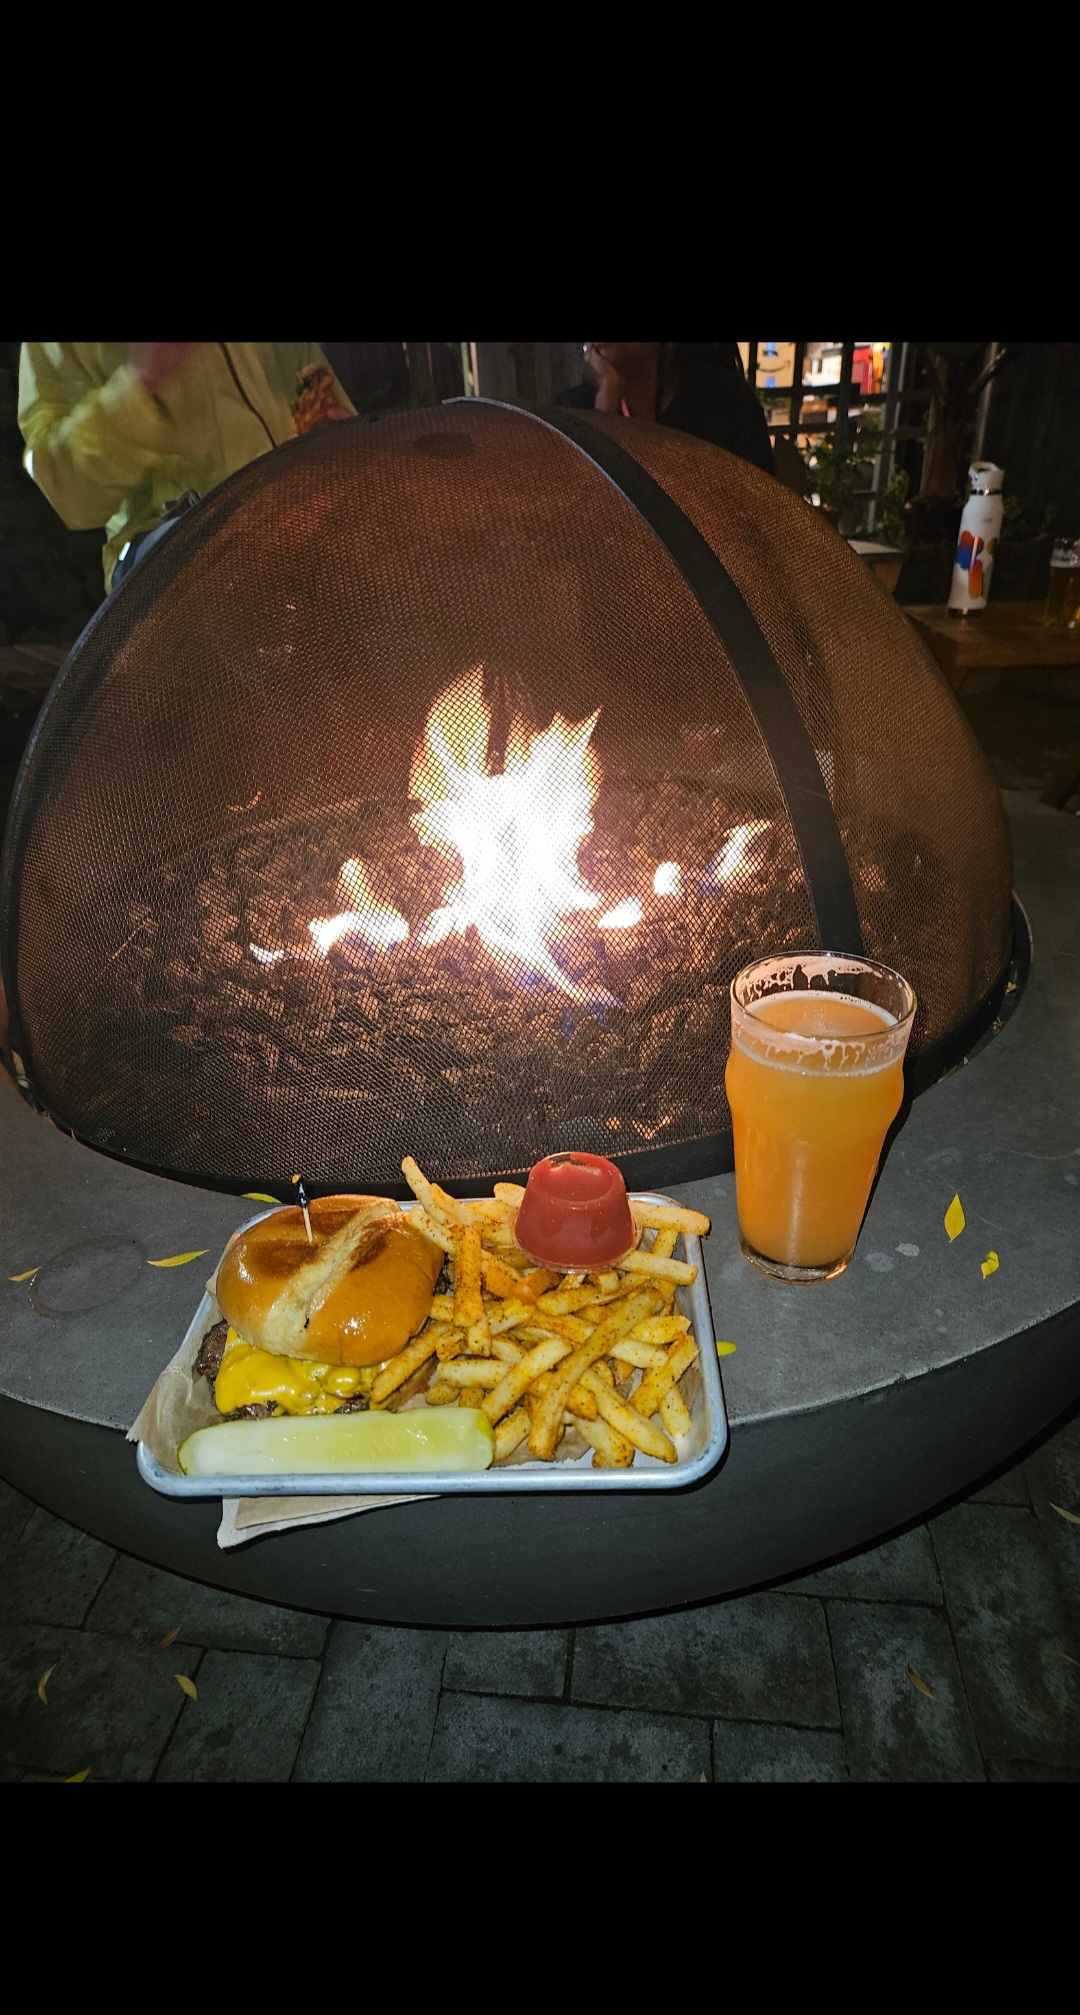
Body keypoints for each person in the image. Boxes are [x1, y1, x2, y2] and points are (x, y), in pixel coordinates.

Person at [17, 342, 355, 592]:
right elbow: (69, 494)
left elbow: (316, 384)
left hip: (304, 513)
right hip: (175, 561)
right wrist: (140, 385)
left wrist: (335, 435)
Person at [559, 342, 775, 475]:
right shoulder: (571, 411)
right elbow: (580, 515)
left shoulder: (725, 402)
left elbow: (758, 504)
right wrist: (606, 405)